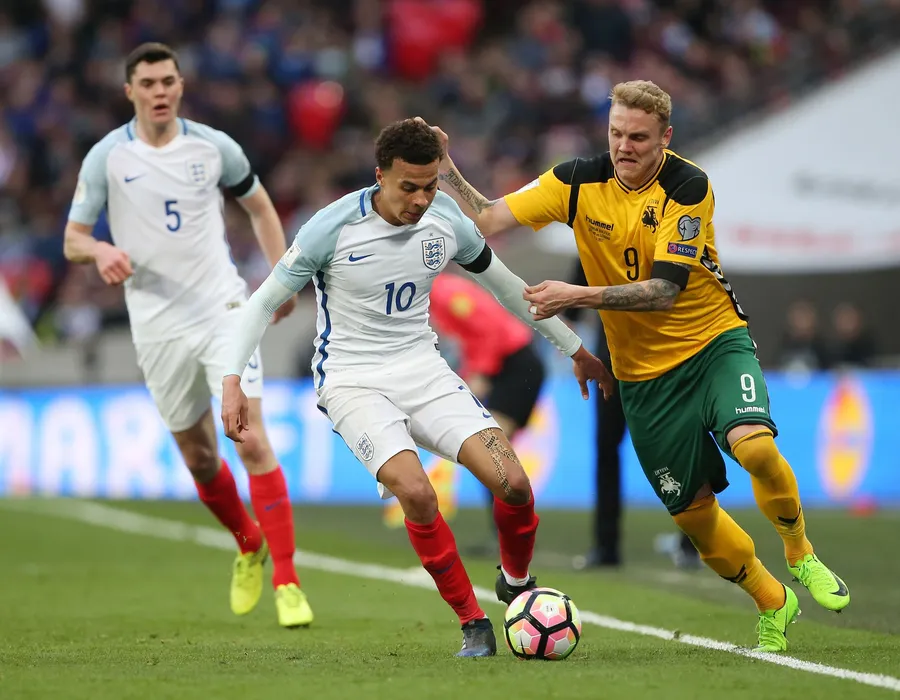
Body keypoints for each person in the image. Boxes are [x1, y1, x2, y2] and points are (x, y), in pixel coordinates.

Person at [424, 80, 850, 653]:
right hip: (642, 375)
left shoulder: (687, 186)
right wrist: (445, 166)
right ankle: (773, 600)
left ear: (665, 138)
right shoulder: (576, 182)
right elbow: (488, 217)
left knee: (753, 446)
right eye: (616, 133)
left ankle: (800, 553)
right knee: (693, 516)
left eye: (639, 138)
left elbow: (665, 291)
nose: (624, 146)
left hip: (711, 344)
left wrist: (576, 295)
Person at [221, 118, 614, 657]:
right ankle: (472, 622)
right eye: (409, 187)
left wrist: (575, 349)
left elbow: (509, 289)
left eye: (429, 186)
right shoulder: (331, 227)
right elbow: (263, 302)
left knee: (515, 485)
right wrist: (232, 382)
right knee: (418, 493)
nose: (421, 199)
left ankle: (516, 583)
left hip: (423, 370)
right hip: (352, 380)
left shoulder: (446, 218)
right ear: (379, 175)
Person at [63, 43, 313, 629]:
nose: (160, 91)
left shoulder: (213, 146)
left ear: (180, 86)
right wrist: (99, 250)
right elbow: (73, 238)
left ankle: (288, 582)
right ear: (130, 91)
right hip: (155, 324)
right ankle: (248, 543)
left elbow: (261, 209)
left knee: (250, 440)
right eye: (148, 83)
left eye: (168, 81)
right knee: (200, 458)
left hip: (222, 308)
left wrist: (281, 278)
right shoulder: (107, 157)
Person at [429, 271, 546, 552]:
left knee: (493, 455)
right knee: (491, 456)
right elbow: (473, 337)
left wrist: (481, 373)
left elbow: (487, 329)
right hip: (507, 367)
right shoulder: (440, 293)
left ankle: (512, 536)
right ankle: (508, 537)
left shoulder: (445, 293)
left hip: (515, 367)